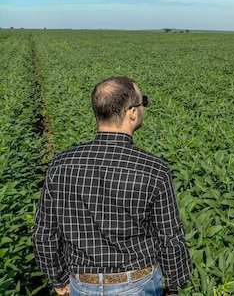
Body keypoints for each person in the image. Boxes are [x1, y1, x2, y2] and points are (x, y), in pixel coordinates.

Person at [33, 76, 191, 295]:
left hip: (82, 282)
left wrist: (58, 278)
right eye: (142, 102)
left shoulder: (60, 165)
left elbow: (45, 233)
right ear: (132, 112)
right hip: (138, 283)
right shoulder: (154, 169)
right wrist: (176, 284)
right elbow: (170, 237)